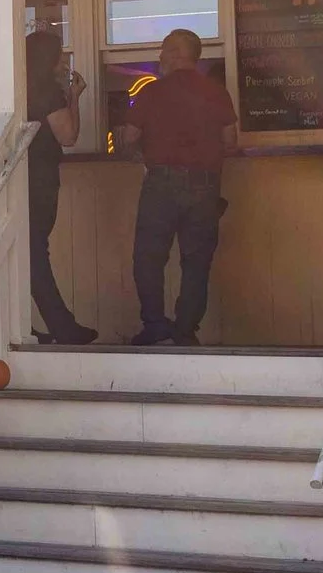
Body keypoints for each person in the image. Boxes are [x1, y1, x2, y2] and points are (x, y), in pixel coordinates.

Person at [118, 28, 236, 346]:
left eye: (164, 51)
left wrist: (141, 155)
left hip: (161, 182)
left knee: (149, 257)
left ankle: (155, 323)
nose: (160, 57)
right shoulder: (216, 92)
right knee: (196, 261)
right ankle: (186, 330)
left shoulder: (152, 93)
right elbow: (229, 140)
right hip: (205, 186)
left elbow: (128, 137)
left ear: (175, 53)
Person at [26, 29, 95, 345]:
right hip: (39, 180)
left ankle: (24, 327)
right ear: (50, 59)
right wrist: (74, 99)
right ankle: (63, 328)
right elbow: (67, 136)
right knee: (35, 253)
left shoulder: (16, 88)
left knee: (24, 255)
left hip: (12, 179)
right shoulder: (47, 92)